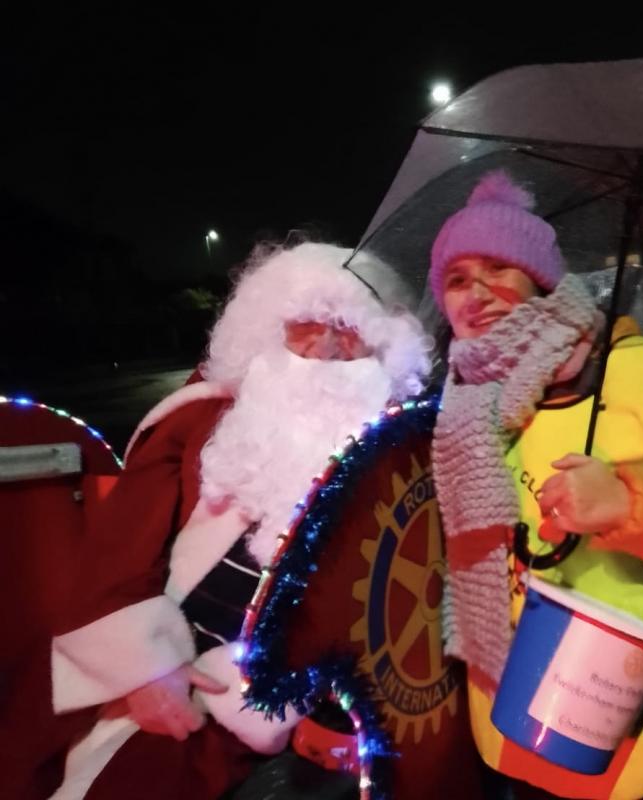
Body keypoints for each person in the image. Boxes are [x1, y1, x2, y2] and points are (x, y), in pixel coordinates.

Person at [33, 241, 432, 799]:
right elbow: (116, 555)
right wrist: (144, 670)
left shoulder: (398, 456)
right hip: (159, 664)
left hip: (280, 696)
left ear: (382, 346)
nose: (325, 348)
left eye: (347, 329)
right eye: (305, 326)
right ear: (271, 329)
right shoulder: (196, 418)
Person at [429, 171, 643, 799]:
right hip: (514, 720)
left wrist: (629, 503)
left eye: (498, 269)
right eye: (456, 279)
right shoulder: (462, 408)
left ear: (540, 279)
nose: (475, 293)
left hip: (642, 735)